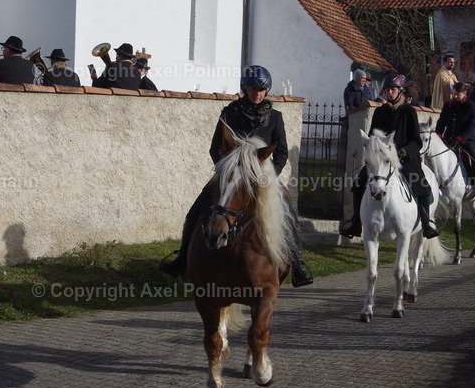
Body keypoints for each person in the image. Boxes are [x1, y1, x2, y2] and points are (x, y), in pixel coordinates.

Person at [160, 65, 314, 288]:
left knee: (289, 212)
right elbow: (216, 147)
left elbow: (280, 152)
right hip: (231, 174)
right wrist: (226, 170)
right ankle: (182, 258)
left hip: (262, 176)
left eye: (262, 90)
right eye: (253, 89)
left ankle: (298, 263)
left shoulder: (275, 117)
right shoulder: (229, 112)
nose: (258, 93)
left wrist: (270, 176)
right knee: (196, 209)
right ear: (245, 88)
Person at [339, 74, 440, 240]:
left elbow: (416, 141)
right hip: (382, 160)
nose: (390, 93)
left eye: (393, 89)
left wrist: (403, 151)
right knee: (358, 184)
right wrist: (374, 150)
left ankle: (426, 223)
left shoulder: (409, 111)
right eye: (387, 90)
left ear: (400, 91)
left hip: (405, 159)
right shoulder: (380, 112)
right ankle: (356, 222)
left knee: (422, 185)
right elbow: (372, 137)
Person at [435, 82, 475, 205]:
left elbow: (471, 127)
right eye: (454, 94)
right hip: (448, 140)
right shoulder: (448, 105)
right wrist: (438, 135)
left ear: (465, 93)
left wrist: (460, 139)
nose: (455, 97)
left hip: (466, 141)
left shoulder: (471, 107)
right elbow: (441, 122)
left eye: (457, 94)